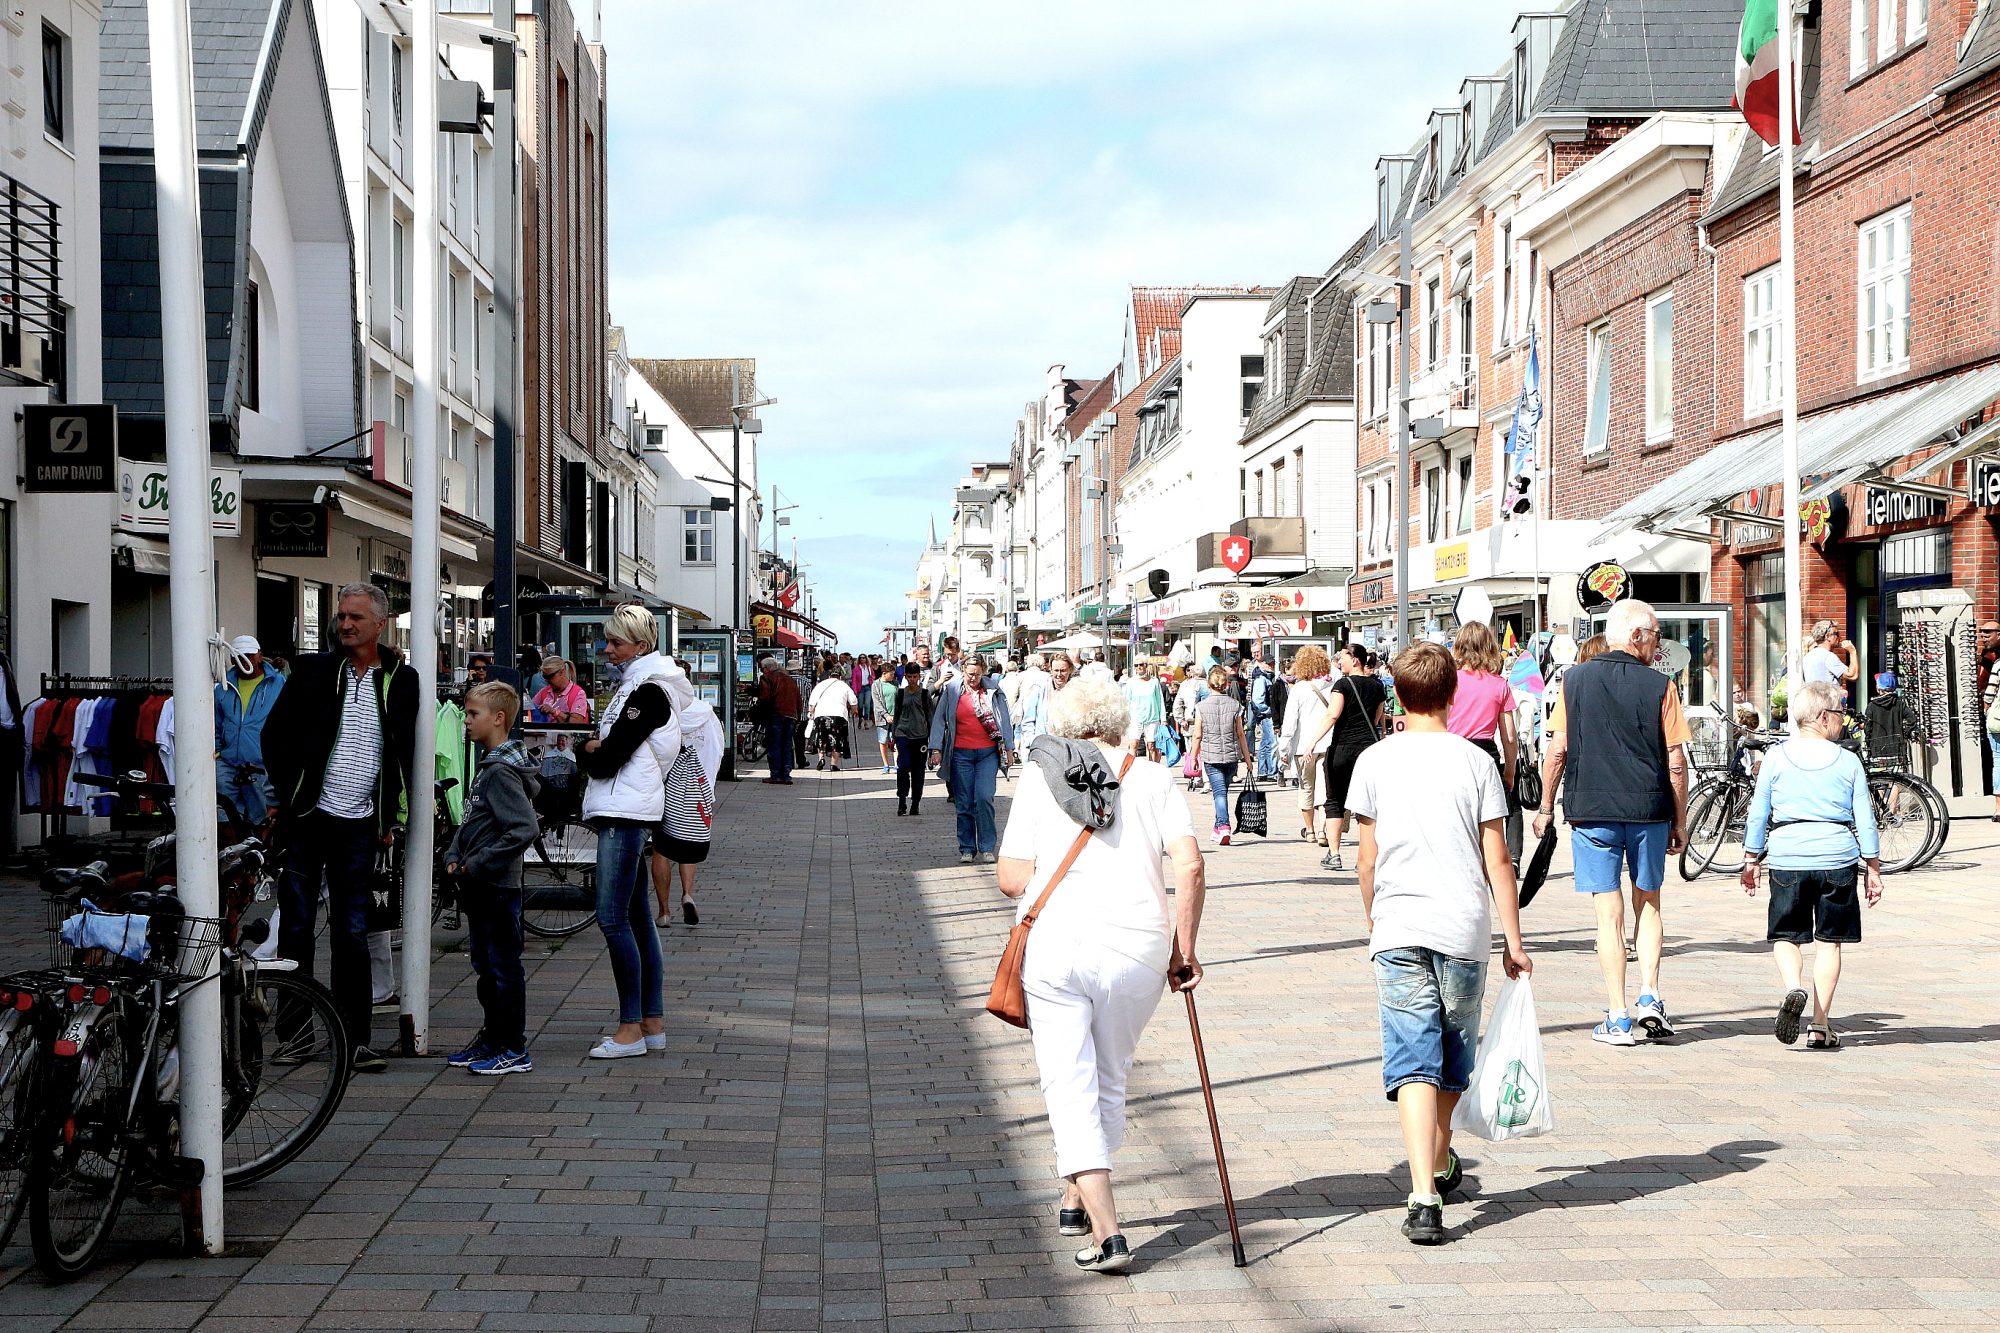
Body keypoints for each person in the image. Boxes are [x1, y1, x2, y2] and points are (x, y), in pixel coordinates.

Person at [995, 672, 1206, 1275]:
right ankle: (1074, 1197)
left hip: (1058, 942)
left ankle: (1110, 1234)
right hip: (1137, 947)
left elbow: (1012, 877)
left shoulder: (1040, 778)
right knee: (1109, 1077)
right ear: (1120, 724)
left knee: (1068, 1084)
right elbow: (1189, 867)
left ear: (1065, 728)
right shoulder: (1156, 777)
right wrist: (1183, 946)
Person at [1349, 643, 1530, 1246]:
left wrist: (1375, 918)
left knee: (1412, 1057)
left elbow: (1366, 859)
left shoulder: (1374, 762)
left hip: (1399, 927)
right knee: (1454, 1054)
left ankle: (1425, 1190)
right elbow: (1497, 858)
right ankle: (1436, 1164)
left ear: (1396, 696)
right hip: (1463, 929)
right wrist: (1515, 939)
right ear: (1454, 694)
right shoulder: (1475, 763)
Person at [264, 583, 419, 1073]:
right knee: (295, 927)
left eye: (355, 617)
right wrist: (292, 796)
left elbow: (403, 753)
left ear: (381, 623)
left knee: (353, 933)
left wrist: (392, 815)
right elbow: (275, 736)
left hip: (360, 824)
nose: (345, 624)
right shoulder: (313, 670)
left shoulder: (402, 677)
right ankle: (296, 1035)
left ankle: (354, 1040)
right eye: (341, 617)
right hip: (309, 819)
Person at [1532, 599, 1692, 1046]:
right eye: (1657, 634)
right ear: (1636, 636)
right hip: (1648, 810)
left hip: (1592, 808)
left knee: (1608, 911)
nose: (1659, 644)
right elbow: (1676, 762)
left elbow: (1558, 750)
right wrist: (1681, 820)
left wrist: (1545, 806)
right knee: (1650, 901)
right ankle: (1649, 995)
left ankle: (1618, 1016)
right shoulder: (1662, 687)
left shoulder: (1574, 681)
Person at [1739, 680, 1882, 1051]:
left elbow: (1758, 813)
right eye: (1839, 714)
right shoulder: (1848, 760)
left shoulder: (1775, 758)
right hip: (1837, 858)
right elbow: (1865, 819)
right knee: (1830, 942)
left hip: (1788, 856)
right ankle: (1819, 1025)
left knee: (1787, 935)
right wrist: (1874, 869)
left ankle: (1793, 988)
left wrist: (1751, 858)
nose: (1843, 722)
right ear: (1822, 716)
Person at [577, 604, 680, 1060]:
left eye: (616, 642)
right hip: (629, 807)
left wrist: (587, 750)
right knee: (636, 917)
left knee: (612, 917)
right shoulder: (642, 687)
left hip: (625, 811)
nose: (607, 649)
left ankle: (630, 1027)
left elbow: (608, 757)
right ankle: (651, 1022)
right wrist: (596, 748)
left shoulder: (647, 692)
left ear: (641, 645)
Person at [442, 681, 543, 1076]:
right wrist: (454, 853)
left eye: (472, 714)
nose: (466, 722)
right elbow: (472, 821)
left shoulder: (500, 771)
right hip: (481, 883)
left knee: (502, 967)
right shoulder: (488, 766)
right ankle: (493, 1037)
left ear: (498, 719)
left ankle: (512, 1046)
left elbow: (522, 828)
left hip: (496, 885)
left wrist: (476, 862)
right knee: (486, 964)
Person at [650, 660, 724, 930]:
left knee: (661, 848)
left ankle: (664, 911)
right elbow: (717, 751)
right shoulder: (706, 713)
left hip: (665, 787)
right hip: (697, 789)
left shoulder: (662, 712)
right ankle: (688, 893)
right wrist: (707, 787)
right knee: (688, 848)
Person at [1306, 645, 1388, 872]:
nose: (1339, 662)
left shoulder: (1342, 685)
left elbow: (1333, 714)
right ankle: (1366, 855)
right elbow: (1377, 719)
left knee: (1335, 801)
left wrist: (1313, 742)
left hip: (1343, 749)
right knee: (1368, 805)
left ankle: (1334, 854)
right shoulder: (1378, 686)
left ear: (1355, 660)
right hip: (1369, 750)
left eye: (1342, 658)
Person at [928, 655, 1015, 864]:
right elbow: (939, 720)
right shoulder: (951, 690)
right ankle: (967, 848)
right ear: (963, 671)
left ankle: (987, 847)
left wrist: (1010, 748)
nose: (973, 678)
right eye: (969, 674)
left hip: (987, 754)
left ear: (983, 671)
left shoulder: (994, 690)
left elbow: (1004, 720)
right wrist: (935, 748)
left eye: (977, 674)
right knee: (964, 803)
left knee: (984, 798)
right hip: (960, 754)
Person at [1448, 623, 1522, 863]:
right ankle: (1490, 862)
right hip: (1485, 753)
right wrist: (1509, 770)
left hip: (1453, 749)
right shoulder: (1500, 684)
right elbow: (1509, 736)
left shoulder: (1450, 681)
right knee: (1488, 817)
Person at [216, 633, 284, 827]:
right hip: (227, 763)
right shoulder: (223, 686)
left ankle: (260, 855)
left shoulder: (278, 684)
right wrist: (217, 752)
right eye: (240, 655)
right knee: (225, 816)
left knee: (262, 817)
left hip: (261, 765)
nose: (245, 659)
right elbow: (215, 722)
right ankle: (232, 855)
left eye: (250, 654)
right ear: (232, 659)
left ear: (260, 656)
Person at [1279, 645, 1335, 846]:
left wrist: (1283, 749)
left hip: (1303, 747)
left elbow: (1290, 722)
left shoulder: (1299, 689)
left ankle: (1310, 830)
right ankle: (1323, 831)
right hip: (1328, 744)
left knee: (1306, 788)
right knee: (1325, 790)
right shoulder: (1333, 686)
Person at [1188, 664, 1249, 846]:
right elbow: (1240, 733)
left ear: (1209, 685)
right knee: (1222, 792)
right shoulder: (1235, 705)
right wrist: (1247, 759)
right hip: (1231, 757)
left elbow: (1197, 734)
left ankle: (1224, 826)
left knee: (1219, 794)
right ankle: (1217, 828)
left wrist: (1193, 757)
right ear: (1226, 685)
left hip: (1211, 756)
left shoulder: (1201, 707)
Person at [890, 665, 936, 815]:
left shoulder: (924, 694)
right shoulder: (901, 693)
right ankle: (902, 800)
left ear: (919, 677)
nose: (912, 679)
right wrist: (894, 735)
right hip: (902, 733)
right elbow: (896, 713)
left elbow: (929, 716)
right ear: (905, 677)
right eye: (909, 676)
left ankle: (915, 802)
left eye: (915, 676)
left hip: (920, 736)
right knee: (903, 767)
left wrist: (933, 740)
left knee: (918, 771)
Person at [758, 657, 802, 785]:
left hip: (776, 714)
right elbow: (798, 699)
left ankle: (776, 775)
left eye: (762, 668)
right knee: (786, 745)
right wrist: (797, 717)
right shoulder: (789, 679)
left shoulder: (767, 678)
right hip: (791, 715)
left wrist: (762, 714)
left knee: (775, 745)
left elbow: (765, 698)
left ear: (766, 668)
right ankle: (786, 775)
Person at [807, 662, 858, 771]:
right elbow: (853, 701)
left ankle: (821, 758)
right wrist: (855, 711)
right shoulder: (844, 685)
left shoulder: (820, 685)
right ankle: (834, 764)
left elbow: (812, 702)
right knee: (837, 739)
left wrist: (811, 713)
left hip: (821, 714)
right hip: (838, 715)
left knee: (821, 737)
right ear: (840, 676)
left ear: (830, 676)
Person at [1121, 661, 1164, 760]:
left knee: (1151, 746)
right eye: (1136, 665)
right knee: (1133, 744)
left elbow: (1160, 700)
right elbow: (1126, 700)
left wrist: (1163, 718)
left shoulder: (1154, 681)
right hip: (1135, 718)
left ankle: (1153, 770)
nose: (1139, 667)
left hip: (1152, 717)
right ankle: (1129, 770)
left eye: (1141, 664)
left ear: (1146, 665)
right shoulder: (1131, 682)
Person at [1801, 621, 1859, 692]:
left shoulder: (1808, 656)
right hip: (1828, 701)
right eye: (1836, 634)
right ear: (1827, 636)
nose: (1840, 637)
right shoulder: (1828, 656)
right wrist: (1853, 652)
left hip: (1813, 700)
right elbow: (1853, 676)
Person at [1013, 652, 1053, 755]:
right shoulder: (1047, 676)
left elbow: (1015, 694)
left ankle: (1018, 749)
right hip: (1040, 707)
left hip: (1022, 707)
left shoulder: (1020, 675)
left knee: (1020, 730)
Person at [1247, 656, 1280, 781]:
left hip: (1264, 714)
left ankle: (1262, 771)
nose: (1271, 666)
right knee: (1271, 743)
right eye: (1269, 664)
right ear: (1262, 664)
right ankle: (1272, 772)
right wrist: (1271, 711)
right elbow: (1258, 700)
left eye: (1272, 663)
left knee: (1265, 743)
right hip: (1267, 715)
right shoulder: (1262, 678)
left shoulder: (1263, 677)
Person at [873, 665, 900, 773]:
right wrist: (886, 715)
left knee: (896, 741)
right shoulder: (876, 685)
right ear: (884, 673)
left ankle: (897, 764)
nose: (893, 676)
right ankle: (886, 764)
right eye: (891, 674)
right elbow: (877, 702)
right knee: (883, 741)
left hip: (895, 716)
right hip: (882, 718)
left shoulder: (895, 683)